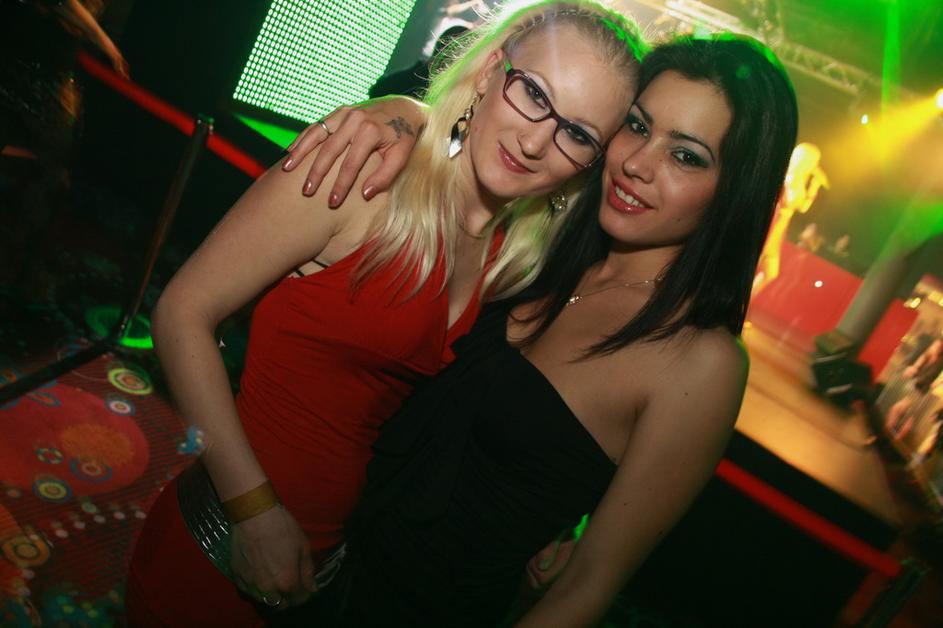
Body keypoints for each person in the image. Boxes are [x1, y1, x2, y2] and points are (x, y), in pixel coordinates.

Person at [124, 2, 644, 626]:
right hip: (219, 545)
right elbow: (182, 313)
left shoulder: (513, 259)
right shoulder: (363, 172)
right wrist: (254, 510)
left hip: (329, 569)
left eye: (577, 134)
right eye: (532, 92)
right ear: (489, 72)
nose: (536, 142)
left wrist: (568, 525)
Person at [282, 32, 798, 627]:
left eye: (686, 156)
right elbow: (472, 144)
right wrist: (402, 112)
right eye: (636, 126)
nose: (636, 162)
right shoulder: (541, 236)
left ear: (735, 191)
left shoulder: (700, 362)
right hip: (312, 557)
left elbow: (584, 589)